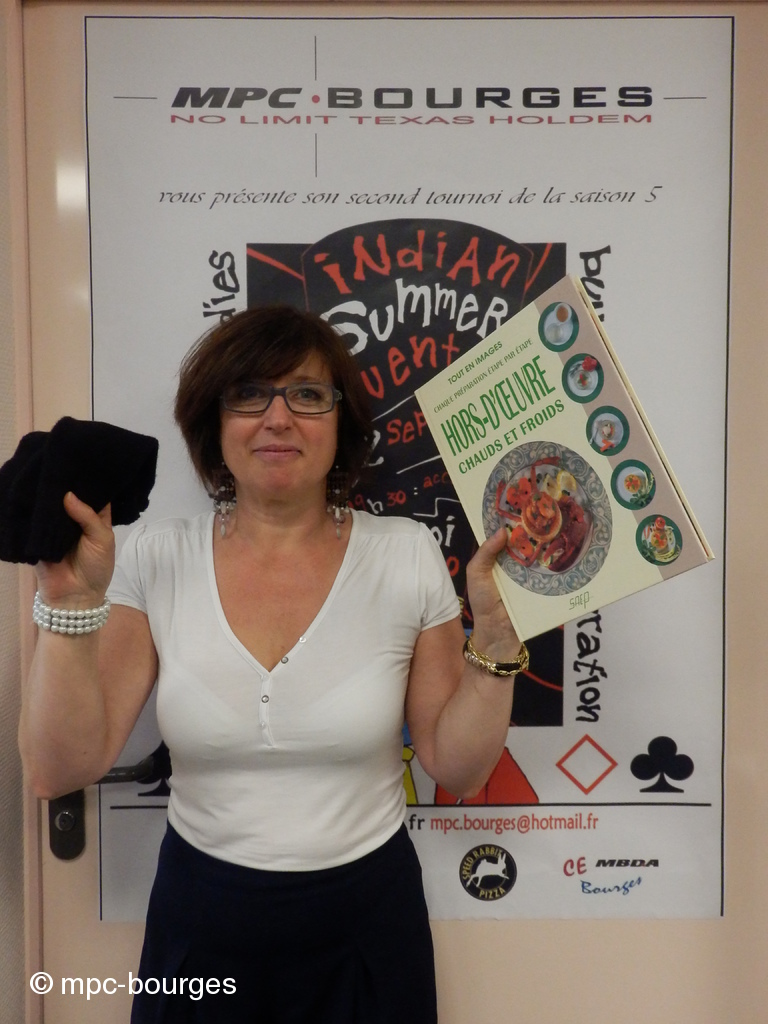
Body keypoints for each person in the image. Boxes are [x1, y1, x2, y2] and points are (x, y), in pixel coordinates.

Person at [19, 305, 528, 1024]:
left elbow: (460, 768)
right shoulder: (157, 556)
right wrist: (69, 603)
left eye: (308, 395)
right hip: (200, 925)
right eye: (249, 395)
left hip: (368, 928)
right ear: (215, 423)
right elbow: (58, 770)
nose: (278, 418)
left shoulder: (404, 553)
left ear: (342, 423)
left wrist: (497, 644)